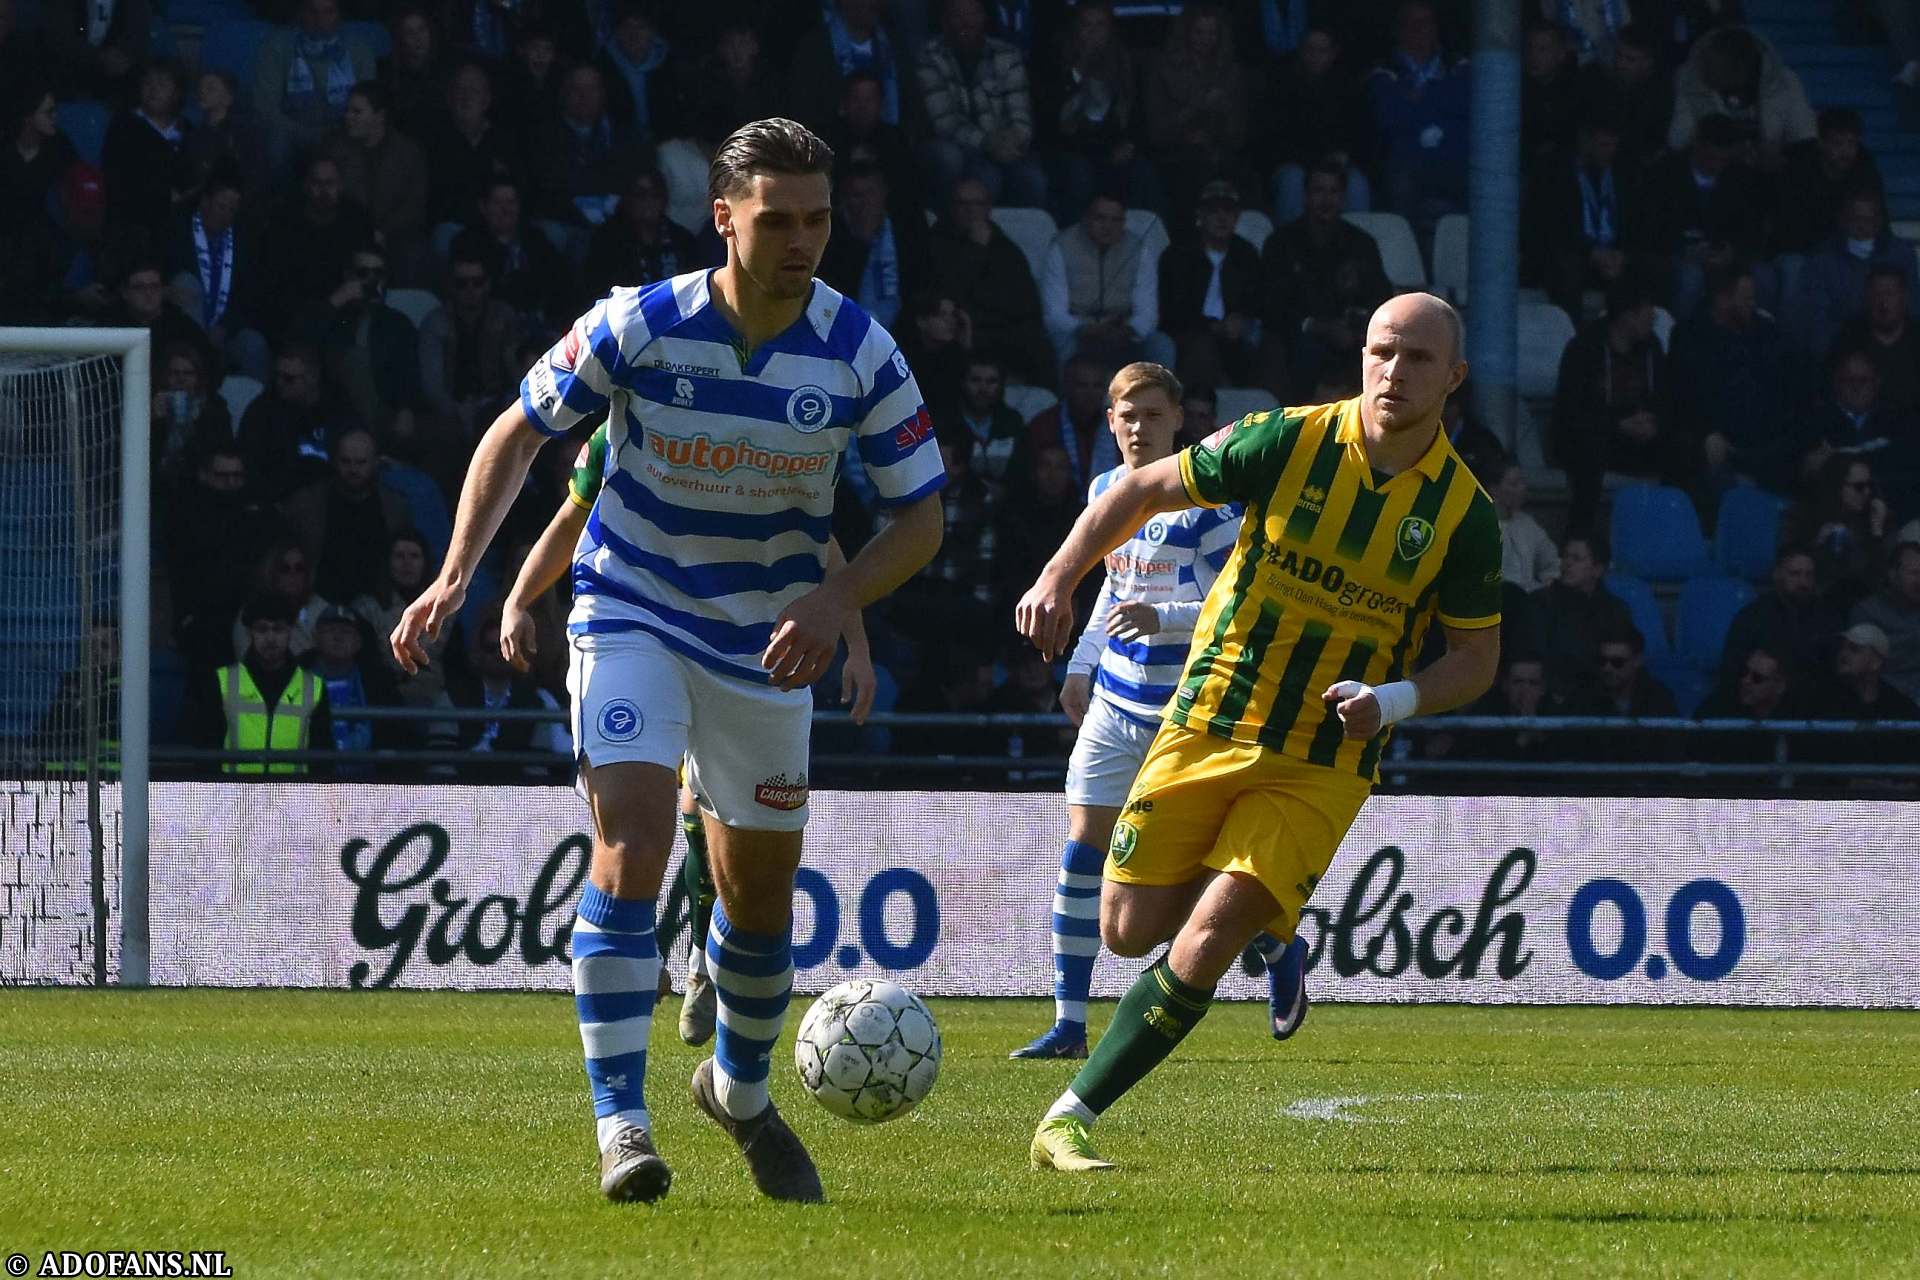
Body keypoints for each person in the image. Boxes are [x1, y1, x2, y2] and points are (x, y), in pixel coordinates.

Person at [389, 118, 944, 1206]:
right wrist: (459, 575)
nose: (802, 240)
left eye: (818, 219)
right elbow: (520, 431)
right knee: (633, 843)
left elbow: (922, 517)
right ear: (723, 216)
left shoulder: (863, 351)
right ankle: (621, 1124)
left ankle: (736, 1091)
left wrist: (836, 599)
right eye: (777, 218)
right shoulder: (639, 323)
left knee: (761, 900)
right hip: (630, 608)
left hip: (767, 643)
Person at [1015, 292, 1502, 1172]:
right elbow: (1140, 488)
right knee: (1127, 929)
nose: (1395, 371)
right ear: (1361, 355)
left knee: (1205, 938)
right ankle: (1275, 931)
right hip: (1209, 717)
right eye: (1382, 351)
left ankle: (1069, 1117)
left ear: (1455, 377)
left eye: (1419, 359)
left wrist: (1392, 702)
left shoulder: (1465, 516)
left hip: (1324, 759)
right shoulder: (1286, 439)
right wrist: (1059, 576)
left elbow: (1477, 659)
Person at [500, 421, 882, 1042]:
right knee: (645, 809)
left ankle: (703, 961)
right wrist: (518, 598)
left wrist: (856, 646)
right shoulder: (615, 436)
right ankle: (639, 942)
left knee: (721, 831)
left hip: (746, 652)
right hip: (644, 638)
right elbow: (571, 519)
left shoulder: (766, 429)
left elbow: (823, 545)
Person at [1008, 361, 1267, 1062]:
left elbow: (1235, 609)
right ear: (1111, 423)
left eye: (1152, 415)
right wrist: (1082, 665)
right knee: (1082, 844)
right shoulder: (1104, 492)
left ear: (1179, 420)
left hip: (1183, 712)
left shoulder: (1211, 509)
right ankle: (1067, 1021)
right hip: (1115, 705)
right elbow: (1107, 586)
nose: (1137, 428)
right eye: (1126, 416)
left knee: (1182, 866)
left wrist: (1164, 615)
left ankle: (1268, 938)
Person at [189, 593, 333, 775]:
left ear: (290, 631)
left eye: (278, 629)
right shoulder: (222, 682)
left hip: (293, 798)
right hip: (234, 797)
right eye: (262, 629)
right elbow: (206, 750)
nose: (271, 638)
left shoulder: (314, 686)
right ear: (250, 632)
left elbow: (322, 757)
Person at [1717, 544, 1843, 688]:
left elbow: (1835, 668)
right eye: (1795, 574)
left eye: (1809, 575)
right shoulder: (1752, 617)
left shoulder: (1827, 617)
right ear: (1777, 574)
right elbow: (1732, 671)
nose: (1803, 582)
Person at [1850, 541, 1920, 702]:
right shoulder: (1867, 612)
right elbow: (1860, 667)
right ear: (1892, 574)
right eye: (1914, 573)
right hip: (1884, 701)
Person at [1491, 459, 1560, 593]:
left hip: (1529, 599)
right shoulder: (1478, 526)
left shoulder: (1527, 523)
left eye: (1522, 482)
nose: (1522, 488)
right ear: (1494, 489)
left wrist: (1550, 581)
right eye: (1514, 484)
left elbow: (1552, 563)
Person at [1832, 622, 1920, 720]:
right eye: (1841, 648)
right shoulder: (1826, 699)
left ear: (1876, 662)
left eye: (1854, 649)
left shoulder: (1900, 708)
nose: (1843, 654)